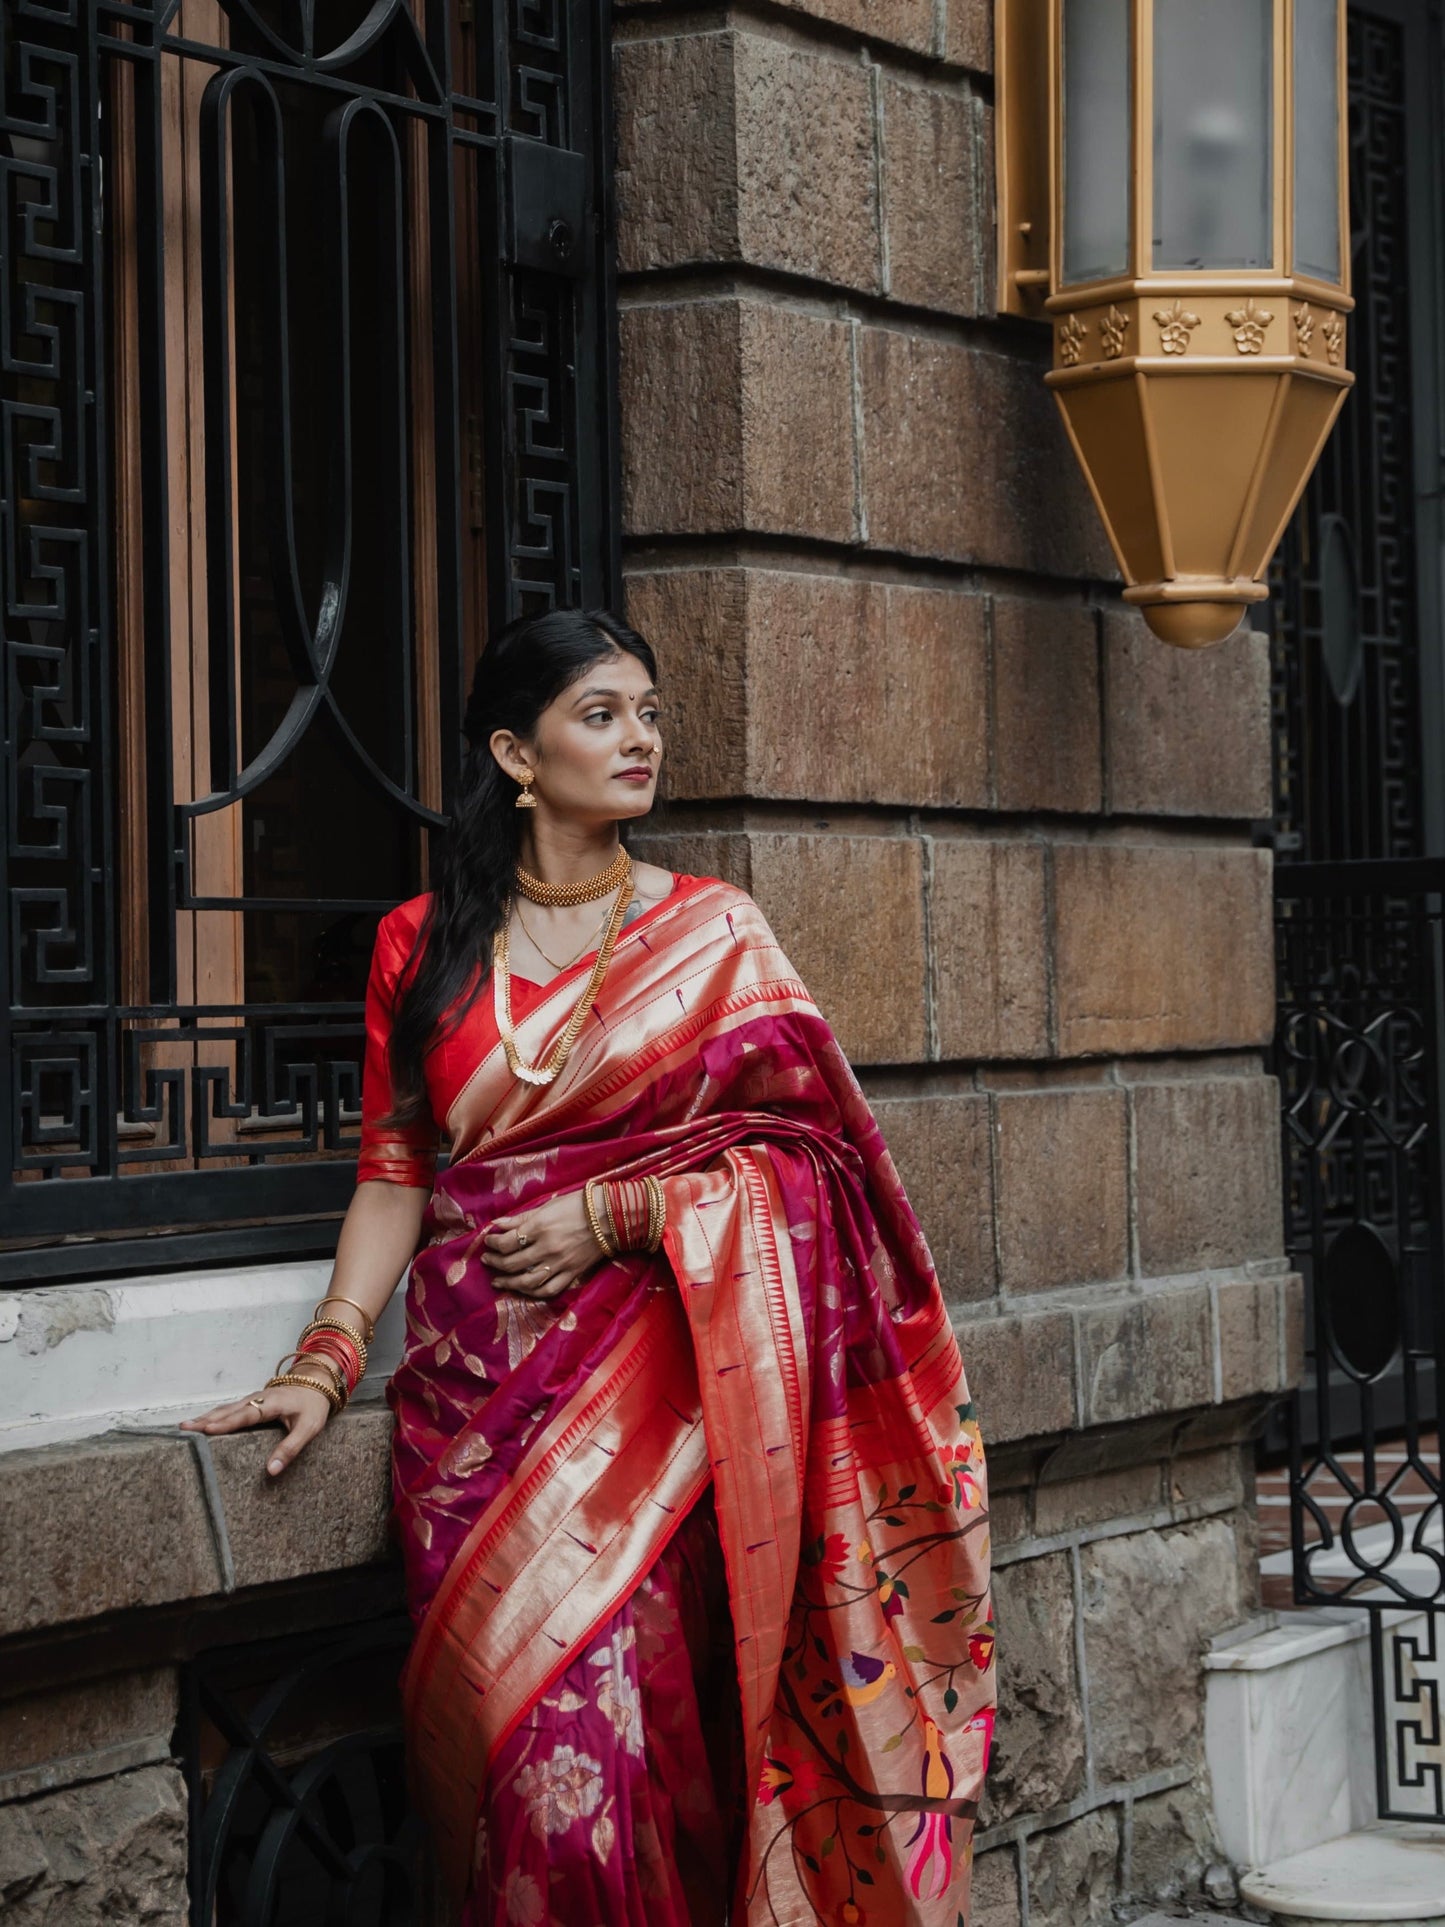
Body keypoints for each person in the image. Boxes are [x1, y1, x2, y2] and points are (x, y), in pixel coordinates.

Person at [184, 606, 997, 1925]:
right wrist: (327, 1360)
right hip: (475, 1412)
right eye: (601, 714)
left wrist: (621, 1216)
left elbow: (824, 1173)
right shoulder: (421, 944)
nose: (640, 741)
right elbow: (397, 1170)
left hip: (667, 1416)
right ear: (515, 750)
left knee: (646, 1767)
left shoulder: (714, 935)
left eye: (651, 713)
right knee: (526, 1782)